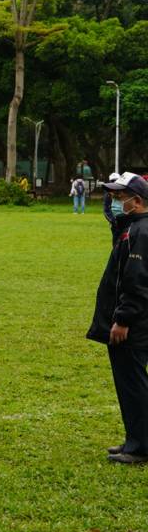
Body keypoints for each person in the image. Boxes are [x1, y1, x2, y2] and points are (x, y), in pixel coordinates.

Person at [86, 172, 148, 464]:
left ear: (137, 201)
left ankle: (140, 446)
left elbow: (135, 281)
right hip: (136, 321)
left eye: (120, 197)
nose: (113, 201)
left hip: (134, 325)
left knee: (133, 383)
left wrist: (122, 319)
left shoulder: (140, 233)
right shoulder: (132, 228)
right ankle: (135, 438)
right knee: (132, 382)